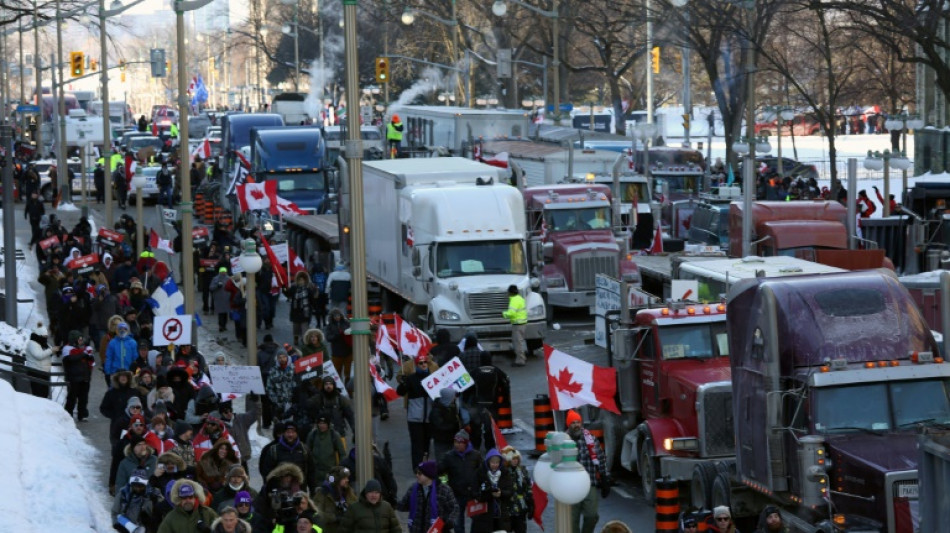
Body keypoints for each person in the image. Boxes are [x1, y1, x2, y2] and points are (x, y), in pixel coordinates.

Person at [566, 409, 610, 533]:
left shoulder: (590, 439)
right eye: (573, 423)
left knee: (592, 515)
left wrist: (605, 478)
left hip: (589, 482)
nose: (576, 425)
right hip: (571, 487)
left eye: (578, 422)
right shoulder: (563, 441)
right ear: (568, 425)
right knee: (572, 519)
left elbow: (600, 459)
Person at [438, 429, 482, 533]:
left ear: (466, 443)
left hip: (473, 494)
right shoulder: (449, 456)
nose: (457, 445)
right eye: (455, 442)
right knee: (457, 524)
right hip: (456, 494)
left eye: (460, 442)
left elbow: (482, 472)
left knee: (478, 522)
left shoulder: (475, 455)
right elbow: (439, 470)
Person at [396, 353, 435, 469]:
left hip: (428, 417)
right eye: (420, 363)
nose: (423, 365)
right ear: (417, 365)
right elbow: (400, 392)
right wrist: (403, 383)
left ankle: (425, 465)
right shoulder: (411, 379)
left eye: (425, 363)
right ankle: (418, 468)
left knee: (426, 444)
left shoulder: (433, 378)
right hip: (415, 417)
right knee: (417, 444)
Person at [397, 461, 458, 533]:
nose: (417, 475)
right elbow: (404, 505)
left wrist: (448, 522)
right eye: (416, 472)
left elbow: (454, 508)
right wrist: (393, 502)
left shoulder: (444, 490)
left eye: (420, 473)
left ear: (428, 475)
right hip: (417, 530)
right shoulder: (413, 488)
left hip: (438, 530)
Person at [62, 330, 95, 422]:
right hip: (74, 378)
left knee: (83, 398)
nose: (81, 342)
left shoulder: (83, 350)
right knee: (72, 397)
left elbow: (90, 360)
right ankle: (68, 413)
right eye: (79, 340)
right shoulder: (67, 349)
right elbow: (70, 359)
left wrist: (89, 357)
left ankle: (83, 414)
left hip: (84, 377)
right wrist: (83, 354)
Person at [313, 466, 359, 533]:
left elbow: (356, 507)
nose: (347, 480)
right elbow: (316, 513)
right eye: (344, 478)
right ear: (336, 479)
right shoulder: (323, 493)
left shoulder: (349, 492)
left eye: (347, 478)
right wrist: (334, 518)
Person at [502, 446, 533, 533]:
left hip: (521, 508)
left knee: (521, 529)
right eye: (513, 459)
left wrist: (531, 504)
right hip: (508, 508)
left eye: (517, 459)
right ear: (508, 460)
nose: (515, 461)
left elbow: (528, 487)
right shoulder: (504, 472)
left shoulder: (523, 470)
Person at [24, 321, 56, 399]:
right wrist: (51, 351)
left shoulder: (44, 343)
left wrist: (54, 351)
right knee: (38, 396)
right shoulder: (32, 344)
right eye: (44, 336)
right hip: (36, 372)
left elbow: (48, 352)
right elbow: (39, 355)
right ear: (39, 335)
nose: (45, 338)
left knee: (44, 395)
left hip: (44, 373)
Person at [502, 285, 527, 366]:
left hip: (517, 324)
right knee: (520, 342)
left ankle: (520, 361)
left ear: (510, 292)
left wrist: (504, 314)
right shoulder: (520, 298)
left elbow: (511, 313)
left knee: (517, 343)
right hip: (522, 323)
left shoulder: (514, 300)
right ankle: (522, 357)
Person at [326, 309, 353, 383]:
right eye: (335, 316)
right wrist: (338, 334)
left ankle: (348, 388)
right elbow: (328, 338)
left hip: (348, 351)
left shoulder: (346, 323)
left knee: (349, 373)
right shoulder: (330, 326)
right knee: (336, 374)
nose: (337, 317)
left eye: (338, 315)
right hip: (336, 353)